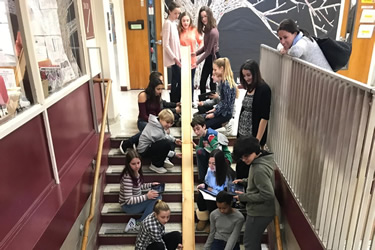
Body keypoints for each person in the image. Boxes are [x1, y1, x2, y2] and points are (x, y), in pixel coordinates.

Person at [119, 72, 181, 152]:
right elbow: (143, 115)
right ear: (152, 88)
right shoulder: (143, 95)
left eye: (161, 89)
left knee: (159, 131)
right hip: (143, 121)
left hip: (156, 121)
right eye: (158, 89)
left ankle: (138, 143)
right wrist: (156, 124)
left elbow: (159, 113)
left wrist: (161, 125)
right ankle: (126, 143)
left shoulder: (158, 96)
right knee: (150, 130)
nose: (160, 91)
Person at [232, 136, 275, 250]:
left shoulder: (258, 169)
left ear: (255, 151)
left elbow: (268, 195)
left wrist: (243, 197)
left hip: (259, 213)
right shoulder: (262, 159)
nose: (244, 159)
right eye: (242, 157)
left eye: (247, 156)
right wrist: (245, 181)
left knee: (250, 243)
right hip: (261, 211)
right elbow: (260, 181)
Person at [236, 59, 271, 179]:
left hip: (253, 134)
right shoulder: (250, 87)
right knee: (241, 164)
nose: (246, 78)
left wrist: (257, 141)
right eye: (244, 76)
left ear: (255, 74)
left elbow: (264, 117)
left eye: (248, 75)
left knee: (249, 166)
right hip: (243, 131)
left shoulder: (264, 89)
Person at [119, 149, 161, 233]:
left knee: (157, 194)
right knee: (156, 198)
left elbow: (138, 186)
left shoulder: (135, 172)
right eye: (133, 164)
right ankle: (139, 223)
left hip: (135, 200)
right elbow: (128, 200)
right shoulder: (128, 177)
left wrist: (151, 185)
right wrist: (146, 196)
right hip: (128, 206)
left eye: (138, 163)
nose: (137, 166)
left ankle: (147, 220)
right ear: (128, 164)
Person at [195, 149, 235, 232]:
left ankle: (213, 222)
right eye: (209, 163)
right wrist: (203, 186)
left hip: (221, 196)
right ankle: (203, 218)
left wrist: (211, 190)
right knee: (200, 198)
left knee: (211, 203)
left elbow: (227, 192)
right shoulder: (210, 170)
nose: (211, 166)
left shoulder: (228, 174)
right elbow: (207, 183)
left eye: (214, 164)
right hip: (211, 193)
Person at [137, 109, 182, 174]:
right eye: (167, 122)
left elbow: (165, 136)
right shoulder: (157, 131)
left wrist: (174, 140)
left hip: (150, 146)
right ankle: (156, 165)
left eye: (171, 123)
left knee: (170, 142)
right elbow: (162, 143)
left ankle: (165, 158)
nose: (169, 125)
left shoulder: (157, 124)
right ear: (161, 119)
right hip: (144, 150)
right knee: (167, 143)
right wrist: (174, 154)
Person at [191, 115, 232, 182]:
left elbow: (218, 152)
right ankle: (203, 178)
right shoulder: (202, 137)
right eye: (194, 130)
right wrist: (195, 146)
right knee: (199, 151)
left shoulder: (211, 136)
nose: (196, 132)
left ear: (204, 126)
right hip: (212, 157)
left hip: (223, 158)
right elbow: (201, 148)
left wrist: (211, 165)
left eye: (198, 129)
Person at [204, 57, 237, 130]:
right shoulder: (222, 83)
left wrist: (214, 114)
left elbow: (226, 104)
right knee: (204, 118)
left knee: (206, 125)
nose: (214, 72)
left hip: (225, 114)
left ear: (221, 69)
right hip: (223, 112)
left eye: (215, 70)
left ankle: (225, 123)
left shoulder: (226, 84)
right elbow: (222, 101)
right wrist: (215, 109)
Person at [195, 6, 220, 94]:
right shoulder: (207, 29)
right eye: (202, 17)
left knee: (212, 82)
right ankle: (203, 101)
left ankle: (212, 103)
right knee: (203, 81)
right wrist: (195, 54)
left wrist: (197, 63)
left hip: (214, 58)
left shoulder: (213, 31)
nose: (203, 19)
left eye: (205, 16)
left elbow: (208, 51)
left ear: (209, 16)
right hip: (209, 57)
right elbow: (205, 48)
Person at [178, 11, 202, 101]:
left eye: (187, 20)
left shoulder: (194, 30)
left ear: (190, 21)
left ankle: (191, 100)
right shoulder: (178, 31)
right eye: (184, 20)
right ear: (181, 21)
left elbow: (201, 41)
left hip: (192, 60)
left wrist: (197, 51)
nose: (185, 23)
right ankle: (183, 101)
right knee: (183, 81)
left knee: (190, 81)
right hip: (182, 60)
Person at [162, 1, 181, 102]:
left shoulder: (174, 23)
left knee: (175, 81)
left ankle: (175, 103)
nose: (177, 16)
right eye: (175, 13)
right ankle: (175, 102)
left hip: (177, 58)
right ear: (169, 11)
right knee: (177, 81)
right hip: (173, 59)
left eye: (178, 13)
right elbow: (165, 44)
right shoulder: (167, 24)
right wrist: (174, 57)